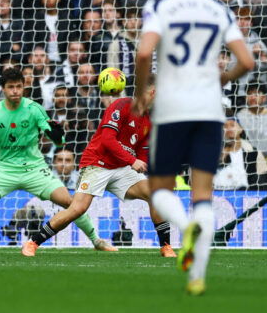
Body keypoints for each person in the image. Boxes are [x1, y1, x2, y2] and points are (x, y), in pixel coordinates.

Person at [132, 0, 254, 295]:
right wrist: (222, 78)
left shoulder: (159, 7)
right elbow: (246, 60)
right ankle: (197, 277)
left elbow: (143, 53)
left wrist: (141, 94)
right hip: (209, 110)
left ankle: (184, 227)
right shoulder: (219, 10)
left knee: (159, 190)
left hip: (172, 107)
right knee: (203, 195)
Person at [0, 67, 114, 253]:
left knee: (70, 202)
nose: (15, 91)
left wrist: (57, 135)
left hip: (34, 169)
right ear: (3, 88)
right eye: (11, 87)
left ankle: (97, 240)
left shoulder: (34, 109)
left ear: (24, 87)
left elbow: (58, 141)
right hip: (4, 169)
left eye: (19, 87)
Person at [22, 74, 176, 258]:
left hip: (121, 168)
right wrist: (132, 160)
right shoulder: (122, 106)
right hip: (98, 163)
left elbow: (142, 151)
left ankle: (166, 246)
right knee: (77, 209)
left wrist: (147, 166)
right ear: (154, 92)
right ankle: (33, 242)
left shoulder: (148, 120)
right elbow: (107, 139)